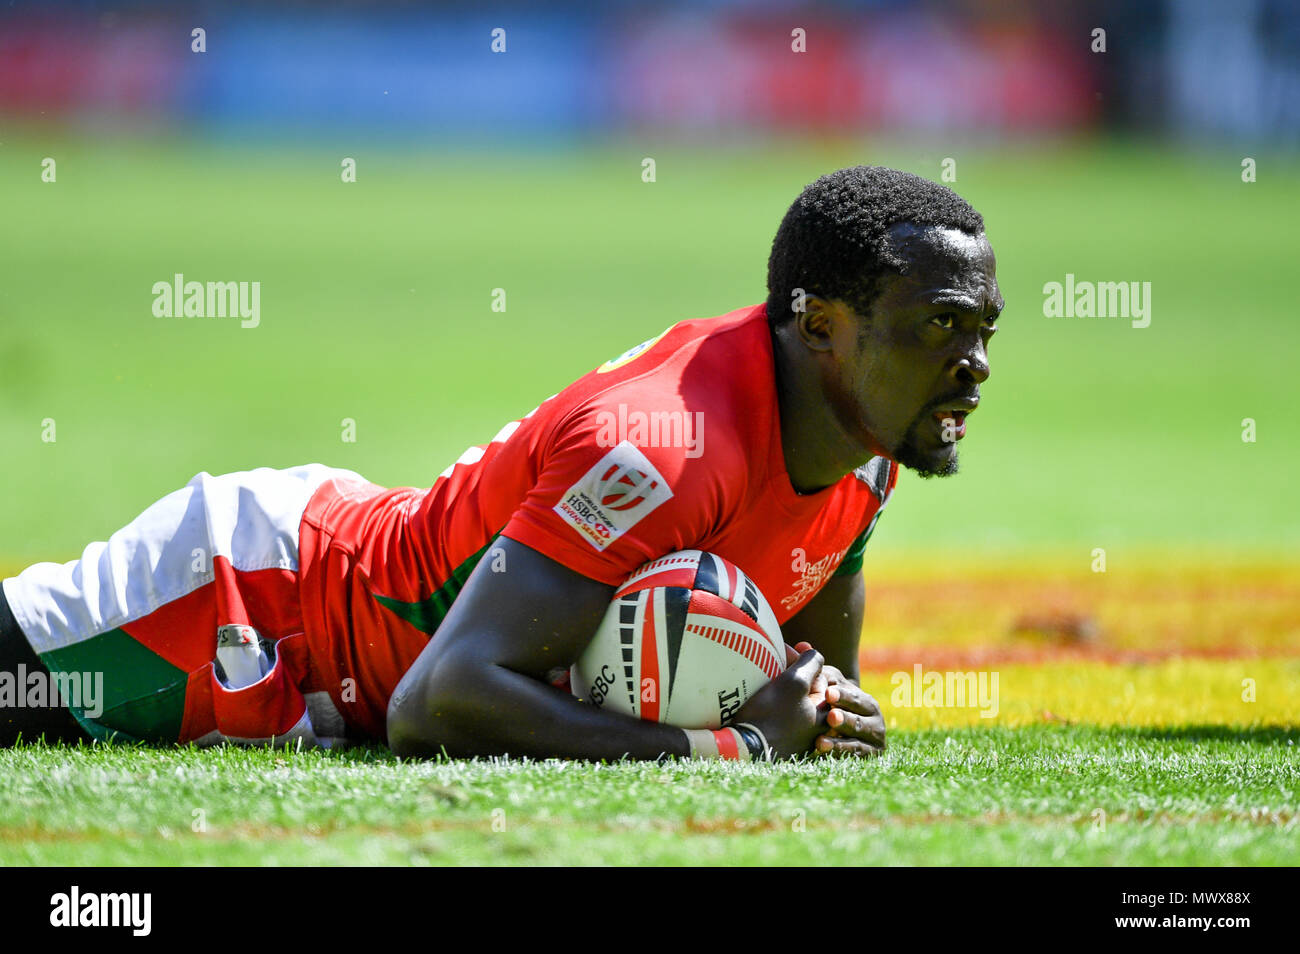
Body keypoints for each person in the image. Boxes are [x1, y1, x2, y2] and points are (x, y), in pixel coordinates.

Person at [0, 165, 1003, 761]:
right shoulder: (660, 448)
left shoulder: (868, 449)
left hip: (338, 653)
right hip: (256, 600)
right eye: (939, 326)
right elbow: (436, 700)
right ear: (822, 326)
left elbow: (808, 688)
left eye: (984, 329)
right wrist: (722, 749)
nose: (974, 365)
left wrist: (823, 716)